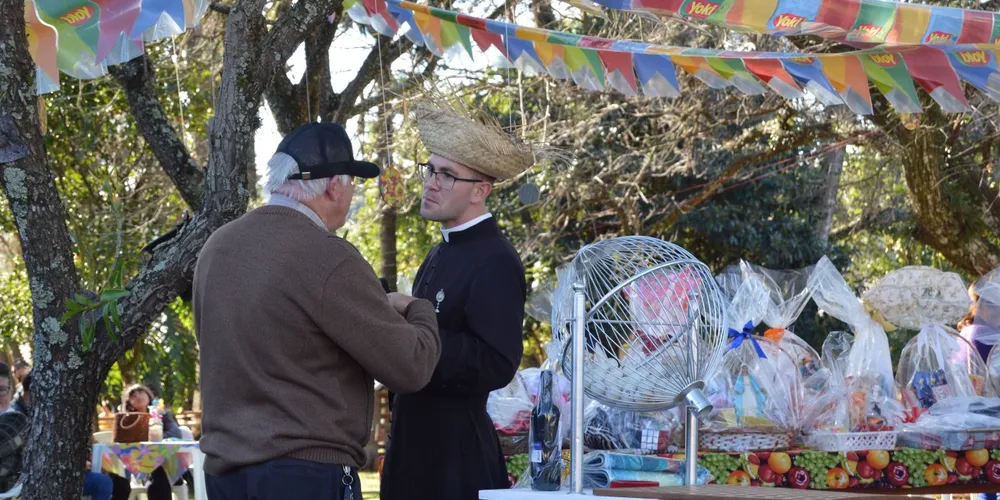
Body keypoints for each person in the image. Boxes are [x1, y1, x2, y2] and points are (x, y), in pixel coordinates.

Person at [193, 122, 442, 500]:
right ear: (334, 186)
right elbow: (411, 365)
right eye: (352, 182)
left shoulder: (217, 247)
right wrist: (416, 308)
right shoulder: (327, 256)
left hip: (225, 474)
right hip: (303, 474)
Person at [380, 102, 530, 500]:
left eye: (446, 175)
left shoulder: (495, 259)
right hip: (413, 452)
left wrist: (414, 332)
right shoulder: (441, 250)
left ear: (480, 190)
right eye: (430, 169)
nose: (431, 182)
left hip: (454, 462)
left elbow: (496, 361)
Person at [0, 370, 130, 500]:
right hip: (42, 475)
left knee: (121, 484)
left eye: (2, 390)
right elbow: (36, 454)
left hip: (65, 468)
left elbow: (83, 443)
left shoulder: (53, 409)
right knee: (103, 483)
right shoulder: (17, 416)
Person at [109, 384, 184, 500]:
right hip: (142, 468)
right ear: (129, 403)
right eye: (133, 395)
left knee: (158, 475)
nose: (138, 396)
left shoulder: (163, 415)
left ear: (148, 395)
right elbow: (122, 443)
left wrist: (155, 438)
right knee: (156, 475)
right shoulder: (127, 422)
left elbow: (175, 433)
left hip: (170, 466)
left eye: (141, 392)